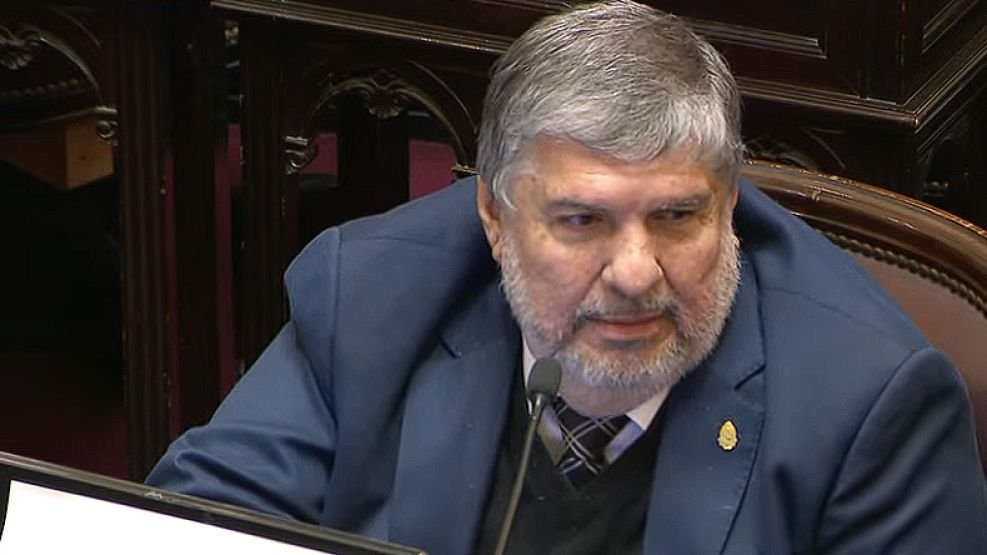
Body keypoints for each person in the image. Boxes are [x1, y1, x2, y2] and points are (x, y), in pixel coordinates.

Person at [147, 1, 987, 553]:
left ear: (729, 205)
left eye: (676, 216)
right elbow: (194, 525)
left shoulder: (869, 400)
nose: (635, 272)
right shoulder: (371, 296)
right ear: (494, 214)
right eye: (582, 221)